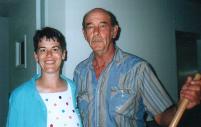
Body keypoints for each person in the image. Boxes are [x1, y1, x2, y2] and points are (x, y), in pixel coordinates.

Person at [73, 8, 201, 127]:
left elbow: (163, 118)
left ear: (114, 31)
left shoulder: (138, 69)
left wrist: (182, 104)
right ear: (85, 34)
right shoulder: (80, 71)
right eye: (90, 27)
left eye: (102, 26)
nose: (96, 32)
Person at [6, 27, 82, 127]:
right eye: (43, 50)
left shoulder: (73, 88)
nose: (49, 55)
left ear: (63, 54)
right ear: (36, 56)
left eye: (55, 49)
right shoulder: (20, 95)